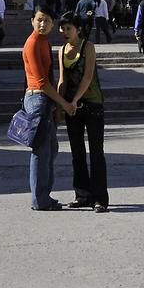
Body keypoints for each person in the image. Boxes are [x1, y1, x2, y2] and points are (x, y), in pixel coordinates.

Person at [23, 6, 76, 211]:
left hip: (46, 100)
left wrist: (57, 107)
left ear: (53, 24)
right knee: (41, 152)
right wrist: (63, 104)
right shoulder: (33, 43)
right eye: (39, 20)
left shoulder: (45, 42)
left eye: (46, 21)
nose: (42, 24)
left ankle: (45, 195)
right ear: (32, 21)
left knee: (51, 150)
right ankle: (40, 200)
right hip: (38, 99)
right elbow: (42, 82)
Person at [57, 12, 108, 212]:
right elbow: (62, 80)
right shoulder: (61, 50)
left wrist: (74, 101)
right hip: (71, 107)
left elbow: (87, 77)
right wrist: (60, 105)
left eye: (68, 28)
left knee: (96, 152)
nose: (64, 32)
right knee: (77, 152)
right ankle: (82, 195)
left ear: (78, 29)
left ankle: (99, 199)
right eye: (62, 28)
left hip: (92, 104)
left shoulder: (88, 47)